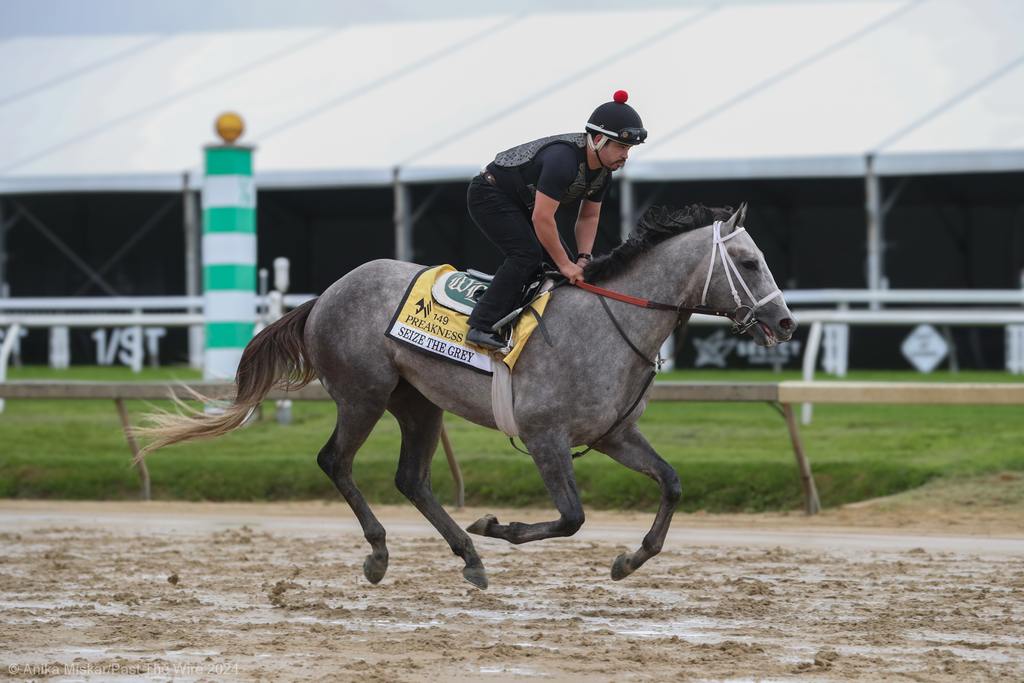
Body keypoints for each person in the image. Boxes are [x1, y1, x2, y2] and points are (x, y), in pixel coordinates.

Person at [465, 90, 647, 350]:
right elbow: (542, 217)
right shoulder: (563, 161)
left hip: (520, 204)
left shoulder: (604, 174)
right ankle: (481, 324)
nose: (625, 155)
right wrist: (565, 264)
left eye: (628, 148)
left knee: (564, 269)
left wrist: (582, 258)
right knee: (527, 255)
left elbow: (588, 216)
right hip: (489, 194)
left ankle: (518, 317)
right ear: (597, 140)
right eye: (621, 146)